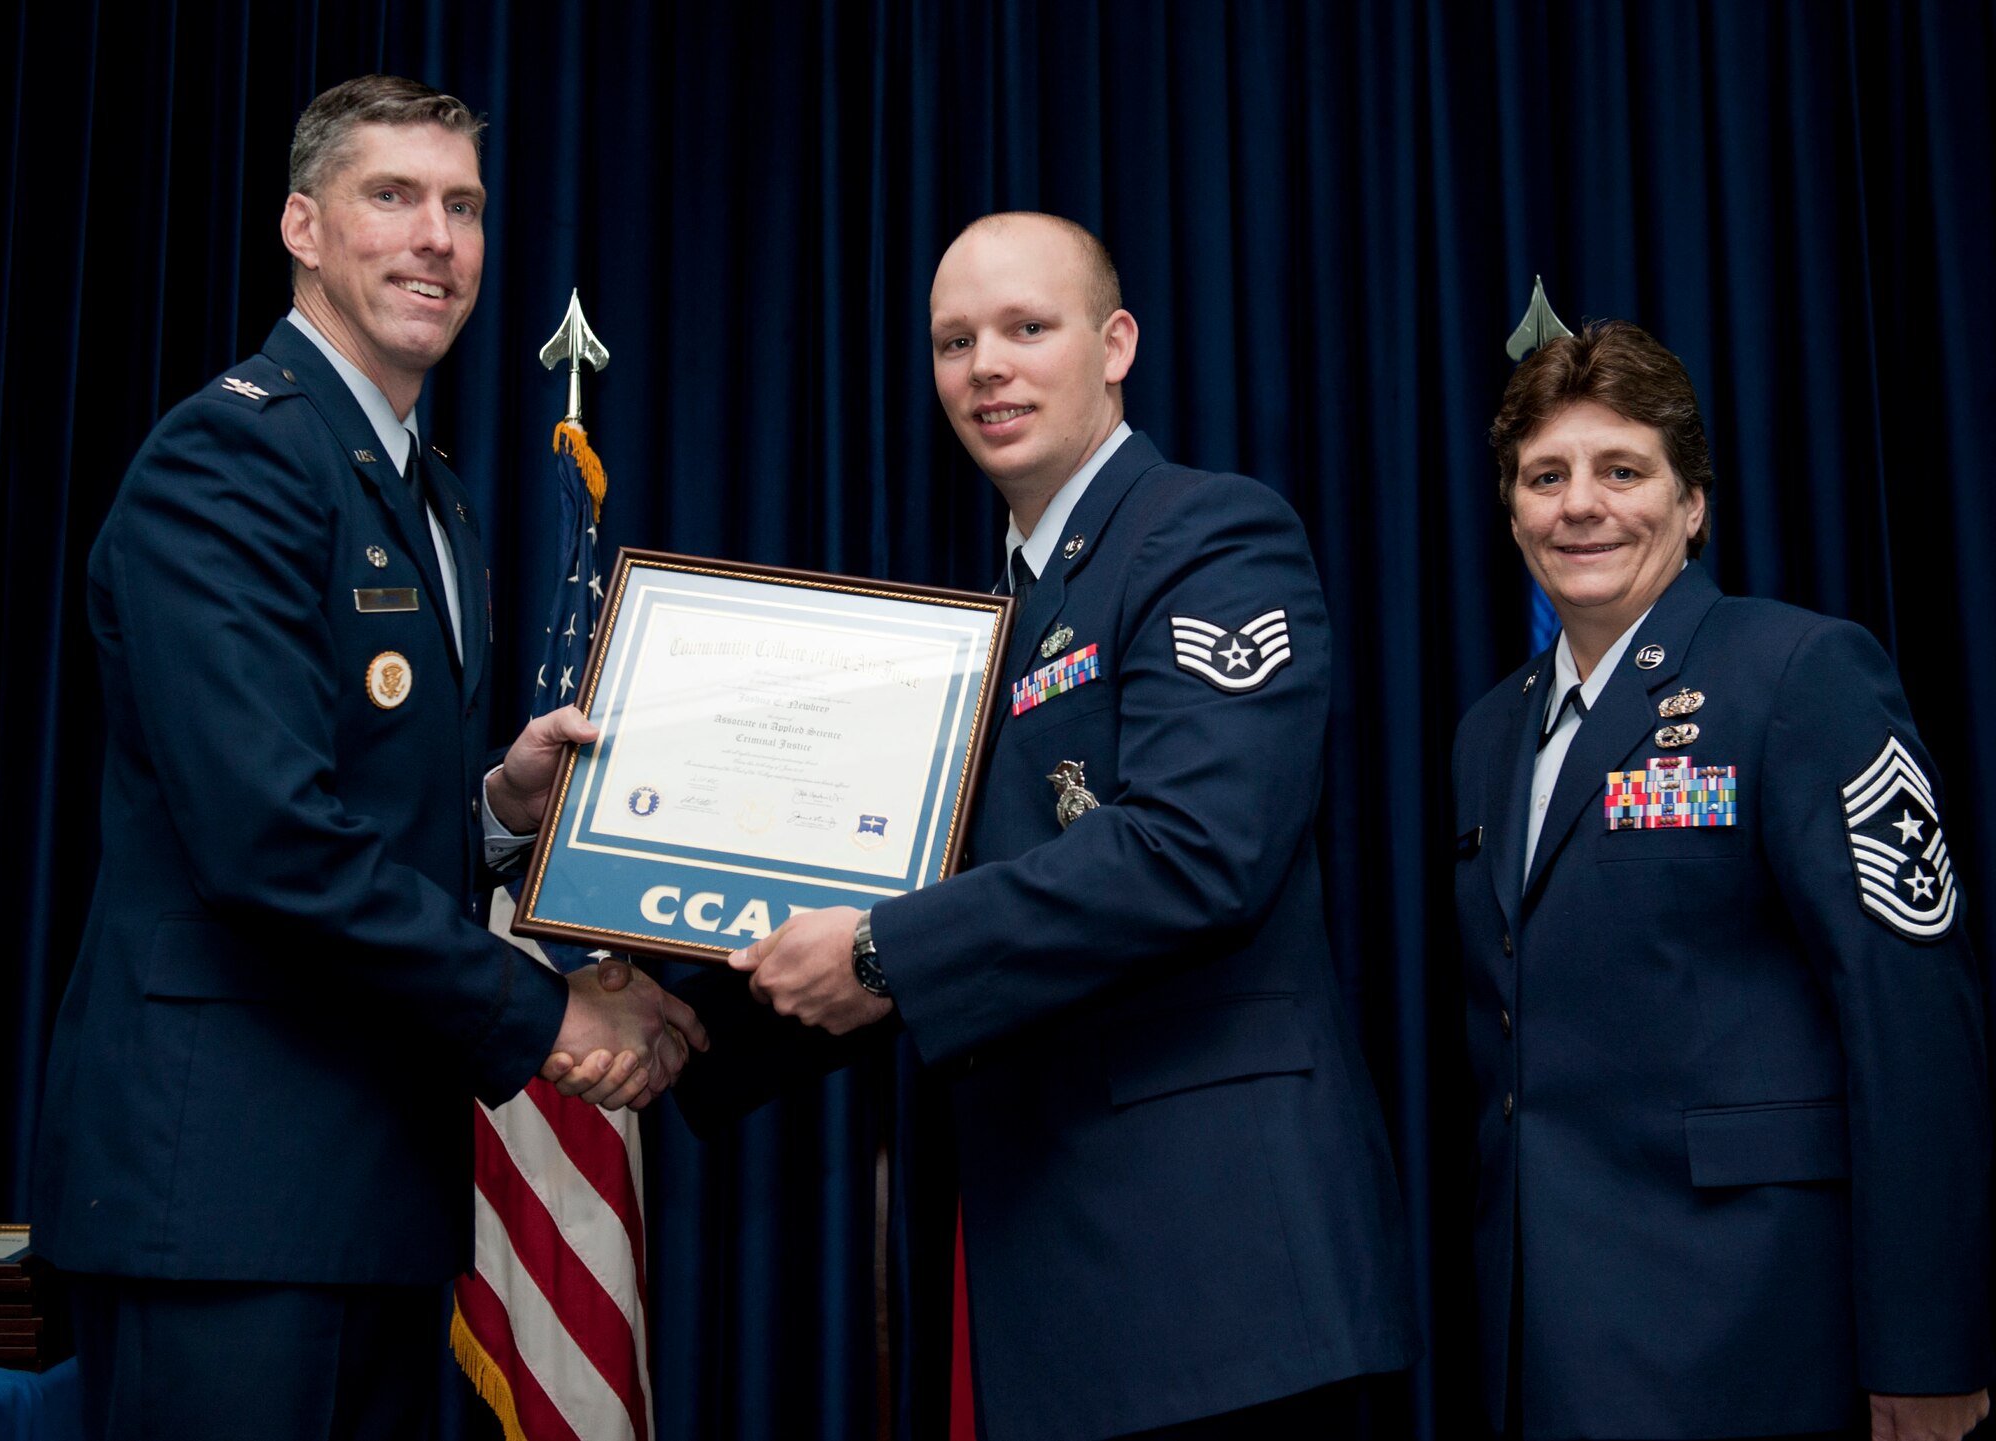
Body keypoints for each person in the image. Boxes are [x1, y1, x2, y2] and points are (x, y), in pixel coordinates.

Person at [30, 75, 704, 1439]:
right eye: (391, 198)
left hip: (374, 1193)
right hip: (225, 1201)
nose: (436, 239)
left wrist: (502, 813)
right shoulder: (227, 460)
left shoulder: (426, 492)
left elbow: (363, 809)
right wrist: (550, 1018)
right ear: (301, 225)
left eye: (462, 205)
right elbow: (272, 842)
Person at [674, 211, 1419, 1440]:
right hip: (1055, 1281)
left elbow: (1194, 852)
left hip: (1222, 1295)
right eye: (954, 340)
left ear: (1115, 342)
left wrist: (873, 953)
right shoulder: (985, 623)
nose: (986, 368)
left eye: (1027, 328)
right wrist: (678, 1025)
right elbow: (924, 892)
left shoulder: (1205, 535)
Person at [1451, 320, 1990, 1440]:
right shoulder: (1484, 736)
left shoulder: (1797, 672)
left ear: (1692, 502)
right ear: (1510, 512)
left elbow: (1909, 1022)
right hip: (1541, 1338)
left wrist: (1927, 1345)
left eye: (1621, 470)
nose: (1579, 504)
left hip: (1750, 1327)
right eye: (1544, 476)